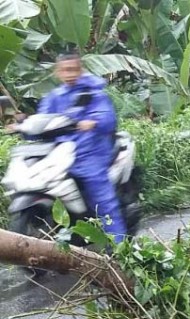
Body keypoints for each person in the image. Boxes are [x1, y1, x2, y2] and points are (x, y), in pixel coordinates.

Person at [10, 52, 127, 242]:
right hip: (61, 153)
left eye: (73, 69)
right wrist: (22, 126)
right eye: (65, 70)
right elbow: (42, 122)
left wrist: (93, 122)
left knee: (103, 202)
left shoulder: (93, 93)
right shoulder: (55, 97)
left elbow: (107, 117)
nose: (69, 74)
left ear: (80, 70)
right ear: (58, 72)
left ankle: (119, 247)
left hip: (91, 151)